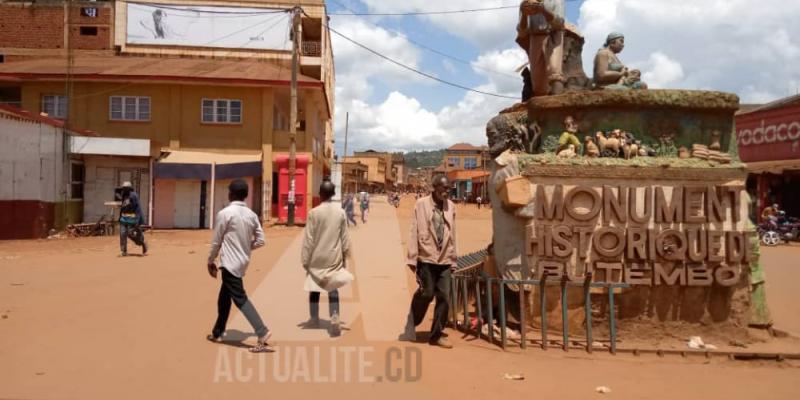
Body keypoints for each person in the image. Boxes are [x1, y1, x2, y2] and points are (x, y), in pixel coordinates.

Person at [207, 180, 272, 352]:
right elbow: (261, 240)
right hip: (242, 261)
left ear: (232, 194)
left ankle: (262, 331)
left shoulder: (225, 213)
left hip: (229, 263)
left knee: (240, 298)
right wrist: (245, 246)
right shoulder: (251, 215)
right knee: (224, 298)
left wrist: (210, 260)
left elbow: (216, 241)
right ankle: (217, 331)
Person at [404, 175, 458, 349]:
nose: (447, 191)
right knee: (426, 294)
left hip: (444, 259)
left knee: (444, 297)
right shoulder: (421, 204)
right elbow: (414, 229)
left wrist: (454, 258)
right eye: (444, 188)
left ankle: (436, 335)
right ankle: (411, 324)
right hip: (426, 257)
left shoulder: (452, 207)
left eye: (449, 188)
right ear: (434, 188)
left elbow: (453, 234)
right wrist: (412, 257)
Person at [301, 181, 354, 337]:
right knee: (333, 287)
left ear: (320, 194)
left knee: (314, 287)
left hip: (316, 257)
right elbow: (345, 238)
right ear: (333, 194)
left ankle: (314, 318)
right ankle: (335, 315)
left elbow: (308, 239)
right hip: (334, 256)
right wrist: (345, 256)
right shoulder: (341, 213)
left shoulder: (314, 213)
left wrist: (305, 259)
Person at [119, 182, 147, 257]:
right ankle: (123, 251)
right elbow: (123, 205)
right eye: (123, 188)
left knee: (129, 234)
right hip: (123, 218)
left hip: (132, 219)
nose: (123, 189)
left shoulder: (134, 196)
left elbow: (138, 208)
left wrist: (138, 220)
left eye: (125, 188)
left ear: (129, 188)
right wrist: (120, 216)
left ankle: (141, 242)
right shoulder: (123, 194)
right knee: (122, 234)